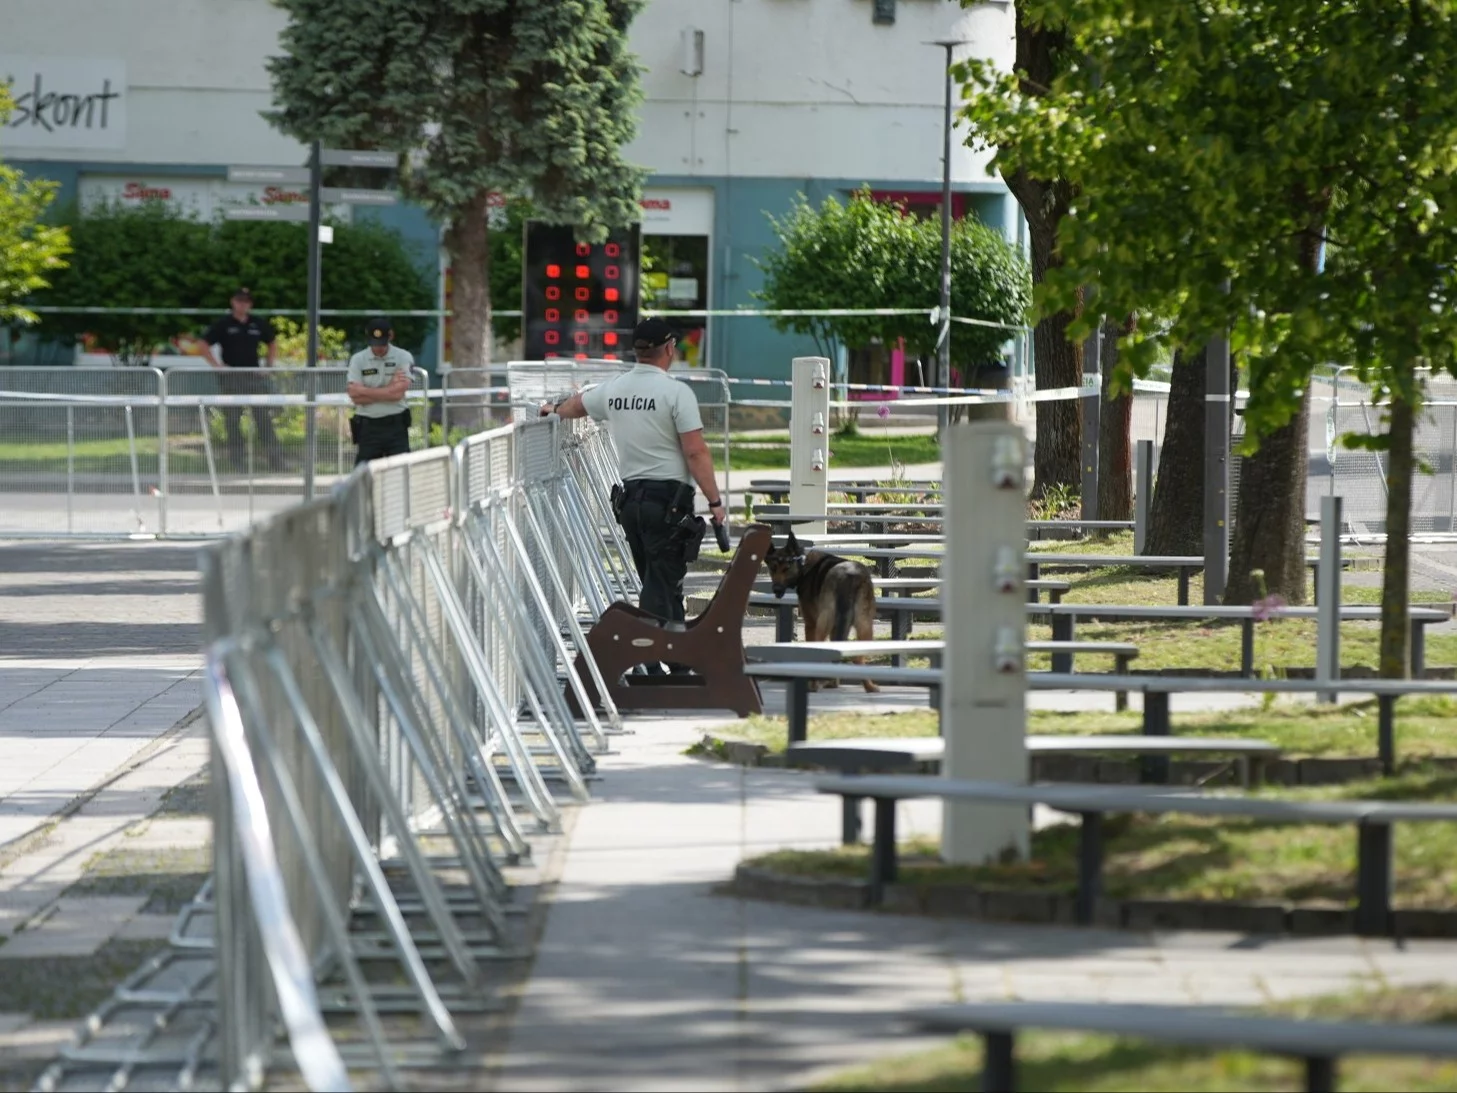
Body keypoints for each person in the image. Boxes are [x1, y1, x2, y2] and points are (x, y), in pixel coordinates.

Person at [540, 318, 725, 659]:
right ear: (669, 348)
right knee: (662, 586)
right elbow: (696, 451)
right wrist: (715, 501)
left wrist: (552, 410)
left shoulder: (615, 389)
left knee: (660, 584)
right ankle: (650, 658)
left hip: (631, 503)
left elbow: (577, 405)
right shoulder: (676, 393)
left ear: (637, 351)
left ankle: (675, 659)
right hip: (668, 504)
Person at [199, 288, 282, 470]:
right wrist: (217, 366)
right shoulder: (224, 324)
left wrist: (269, 366)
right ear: (233, 302)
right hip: (232, 378)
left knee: (263, 419)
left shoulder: (256, 323)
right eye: (239, 300)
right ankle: (238, 462)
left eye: (246, 301)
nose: (242, 304)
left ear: (250, 304)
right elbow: (203, 344)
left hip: (254, 377)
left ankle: (276, 462)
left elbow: (272, 342)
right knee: (233, 420)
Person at [346, 316, 415, 465]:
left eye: (382, 343)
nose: (378, 348)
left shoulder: (403, 357)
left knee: (401, 474)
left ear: (390, 336)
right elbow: (354, 396)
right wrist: (389, 390)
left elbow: (398, 394)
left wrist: (364, 391)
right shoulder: (358, 359)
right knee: (364, 478)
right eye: (374, 343)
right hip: (368, 427)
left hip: (396, 425)